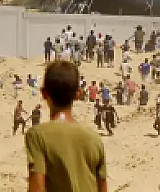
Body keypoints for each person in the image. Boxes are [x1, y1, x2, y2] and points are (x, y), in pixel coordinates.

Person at [24, 61, 107, 192]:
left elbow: (37, 187)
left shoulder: (38, 135)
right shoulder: (94, 139)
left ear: (44, 93)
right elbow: (102, 186)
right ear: (78, 94)